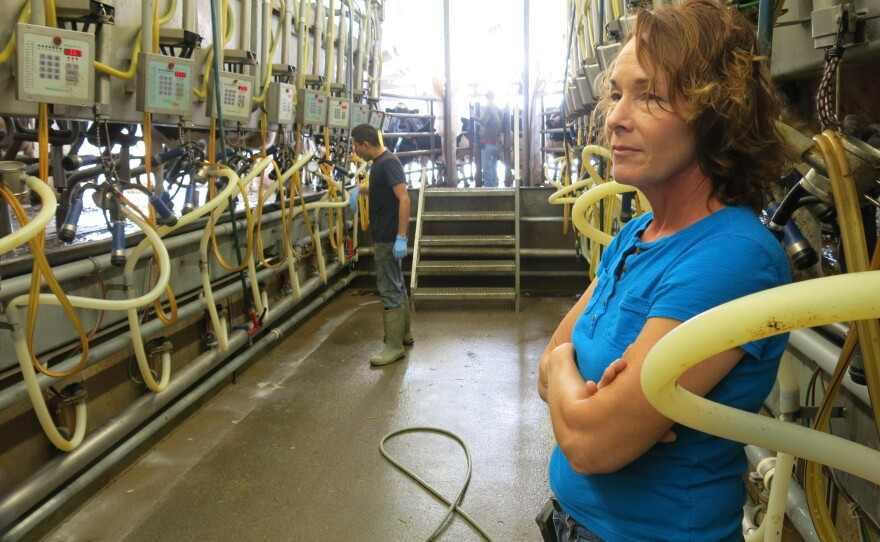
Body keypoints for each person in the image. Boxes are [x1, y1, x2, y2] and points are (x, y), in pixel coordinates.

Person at [536, 1, 792, 540]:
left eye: (650, 95)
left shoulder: (733, 257)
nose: (614, 118)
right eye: (616, 94)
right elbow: (548, 367)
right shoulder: (636, 234)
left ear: (716, 115)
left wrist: (571, 375)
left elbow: (590, 443)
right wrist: (568, 373)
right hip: (569, 522)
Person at [349, 123, 413, 366]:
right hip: (387, 235)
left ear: (365, 144)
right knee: (396, 284)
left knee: (388, 288)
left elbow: (404, 198)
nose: (354, 150)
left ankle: (394, 347)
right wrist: (361, 190)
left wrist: (401, 237)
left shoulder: (387, 163)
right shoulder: (381, 163)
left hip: (389, 237)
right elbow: (383, 189)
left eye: (355, 145)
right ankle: (404, 335)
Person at [475, 91, 503, 187]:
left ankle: (489, 188)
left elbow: (482, 121)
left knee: (487, 167)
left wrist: (473, 117)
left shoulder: (488, 108)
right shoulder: (498, 109)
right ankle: (494, 186)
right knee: (494, 165)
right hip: (497, 142)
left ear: (486, 98)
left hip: (487, 142)